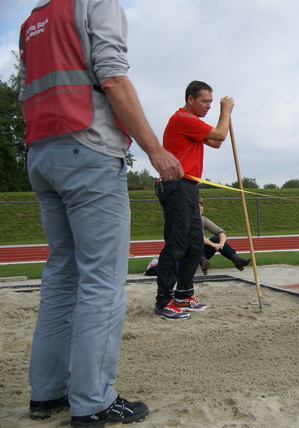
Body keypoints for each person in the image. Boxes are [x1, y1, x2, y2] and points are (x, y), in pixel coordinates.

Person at [18, 0, 183, 425]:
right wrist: (154, 150)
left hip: (41, 153)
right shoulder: (96, 3)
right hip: (88, 150)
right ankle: (93, 399)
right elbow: (112, 78)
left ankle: (47, 392)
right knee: (102, 281)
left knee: (61, 275)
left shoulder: (33, 19)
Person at [154, 81, 234, 320]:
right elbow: (220, 134)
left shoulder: (194, 124)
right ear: (190, 99)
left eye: (211, 102)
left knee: (194, 245)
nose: (209, 105)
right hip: (176, 185)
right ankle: (163, 302)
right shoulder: (182, 119)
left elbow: (217, 142)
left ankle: (183, 294)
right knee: (176, 244)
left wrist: (224, 116)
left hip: (188, 186)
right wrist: (226, 111)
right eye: (204, 101)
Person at [198, 197, 251, 274]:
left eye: (201, 205)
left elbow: (221, 231)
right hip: (188, 253)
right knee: (196, 242)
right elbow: (198, 237)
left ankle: (237, 260)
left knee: (217, 238)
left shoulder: (203, 220)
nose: (200, 208)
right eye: (197, 206)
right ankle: (202, 261)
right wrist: (212, 244)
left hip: (202, 252)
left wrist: (221, 243)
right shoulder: (187, 220)